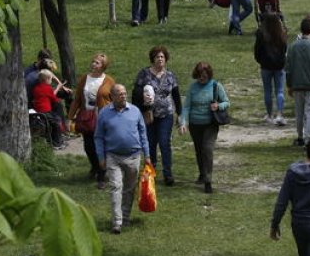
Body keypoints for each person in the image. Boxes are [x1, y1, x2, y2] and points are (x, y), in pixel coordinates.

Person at [95, 84, 150, 235]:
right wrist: (101, 157)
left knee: (129, 189)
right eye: (120, 94)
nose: (123, 96)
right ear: (112, 96)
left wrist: (148, 155)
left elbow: (143, 134)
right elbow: (98, 137)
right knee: (115, 187)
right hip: (113, 156)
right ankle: (117, 222)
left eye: (125, 93)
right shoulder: (104, 113)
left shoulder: (135, 111)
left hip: (133, 156)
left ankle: (125, 217)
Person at [132, 45, 182, 187]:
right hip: (149, 116)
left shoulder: (171, 76)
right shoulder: (144, 74)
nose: (160, 59)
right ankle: (150, 172)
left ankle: (168, 173)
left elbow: (176, 97)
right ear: (152, 59)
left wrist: (180, 114)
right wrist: (143, 110)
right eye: (157, 57)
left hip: (166, 115)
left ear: (166, 59)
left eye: (162, 57)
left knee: (165, 143)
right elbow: (135, 94)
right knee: (150, 143)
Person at [68, 53, 115, 189]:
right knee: (88, 146)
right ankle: (95, 166)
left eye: (97, 63)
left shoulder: (109, 81)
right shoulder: (84, 78)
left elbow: (115, 99)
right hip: (87, 117)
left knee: (100, 146)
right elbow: (77, 99)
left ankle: (101, 175)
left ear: (103, 66)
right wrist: (70, 117)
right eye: (93, 62)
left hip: (103, 117)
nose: (94, 64)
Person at [181, 61, 229, 194]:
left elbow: (226, 102)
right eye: (200, 75)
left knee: (207, 149)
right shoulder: (193, 88)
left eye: (205, 75)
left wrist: (218, 106)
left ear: (209, 75)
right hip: (195, 125)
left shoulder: (216, 86)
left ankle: (208, 180)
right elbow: (186, 107)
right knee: (199, 150)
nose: (202, 78)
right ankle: (202, 173)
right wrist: (183, 123)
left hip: (210, 124)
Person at [286, 16, 310, 146]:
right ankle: (308, 138)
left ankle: (300, 136)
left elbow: (288, 68)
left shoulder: (292, 47)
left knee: (299, 112)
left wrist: (289, 85)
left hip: (297, 84)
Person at [255, 11, 289, 125]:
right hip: (279, 65)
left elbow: (257, 50)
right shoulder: (282, 33)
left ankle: (269, 114)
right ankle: (279, 114)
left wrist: (260, 60)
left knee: (267, 91)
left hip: (265, 65)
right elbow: (284, 49)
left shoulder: (261, 33)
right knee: (279, 90)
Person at [31, 69, 67, 148]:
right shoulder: (48, 88)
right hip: (46, 111)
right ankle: (57, 143)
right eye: (50, 79)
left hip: (38, 111)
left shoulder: (36, 88)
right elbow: (54, 99)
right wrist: (58, 88)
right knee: (57, 122)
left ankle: (52, 140)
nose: (51, 81)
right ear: (46, 79)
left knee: (53, 122)